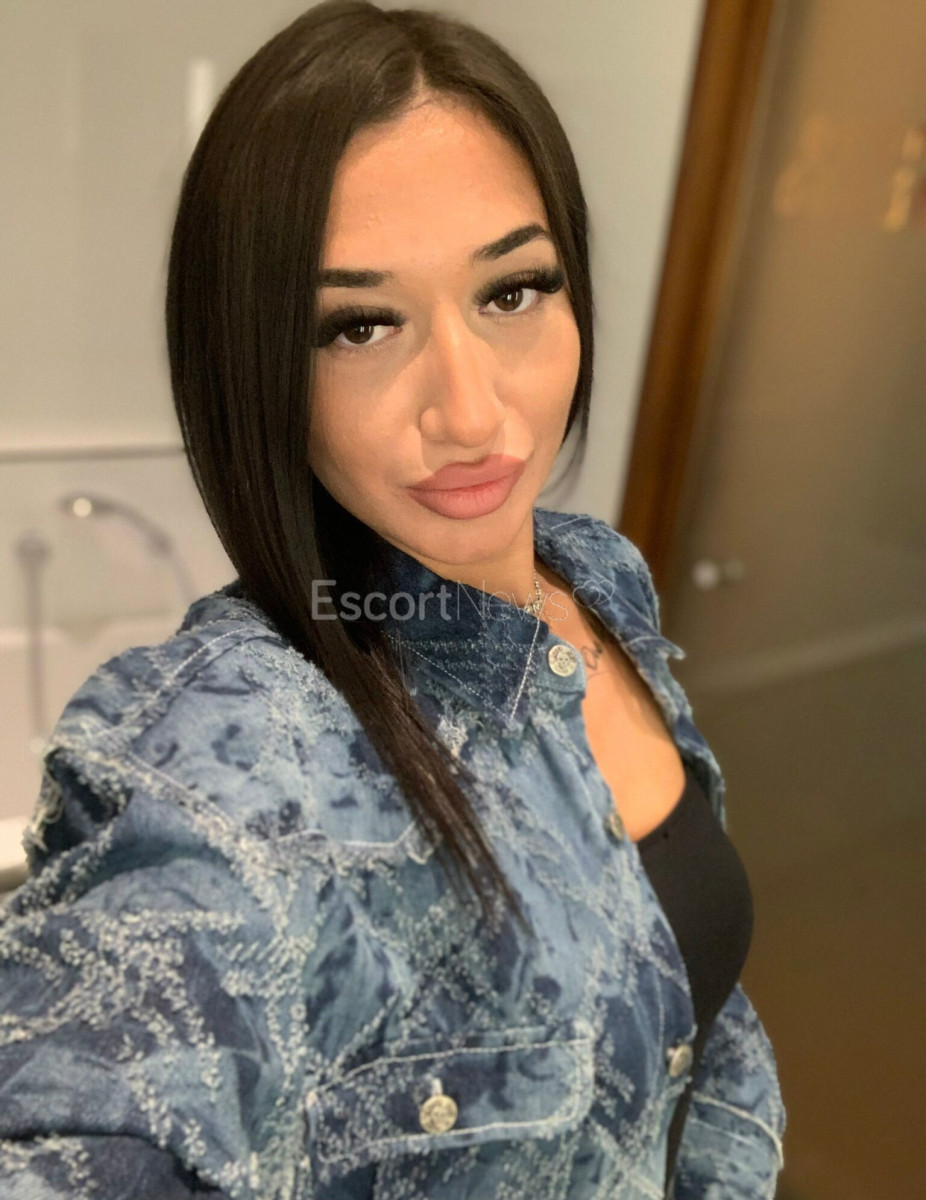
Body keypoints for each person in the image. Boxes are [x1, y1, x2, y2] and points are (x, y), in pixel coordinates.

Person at [0, 2, 786, 1197]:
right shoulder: (236, 761)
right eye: (359, 325)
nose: (469, 412)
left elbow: (692, 1019)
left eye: (511, 291)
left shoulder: (596, 579)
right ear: (254, 362)